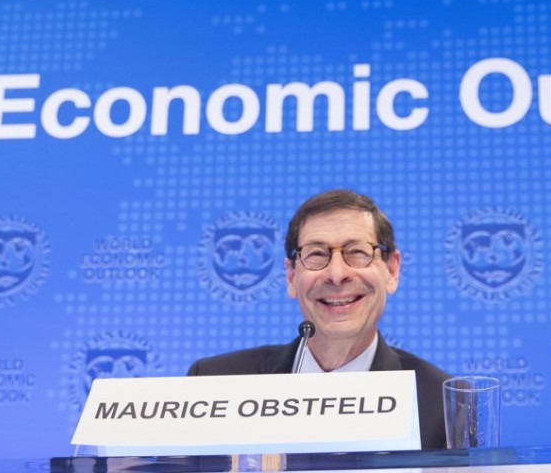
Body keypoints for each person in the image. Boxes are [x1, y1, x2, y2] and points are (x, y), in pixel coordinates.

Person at [188, 189, 450, 450]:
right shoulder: (214, 386)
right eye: (316, 255)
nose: (337, 274)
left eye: (357, 252)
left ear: (391, 270)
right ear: (291, 277)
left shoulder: (441, 405)